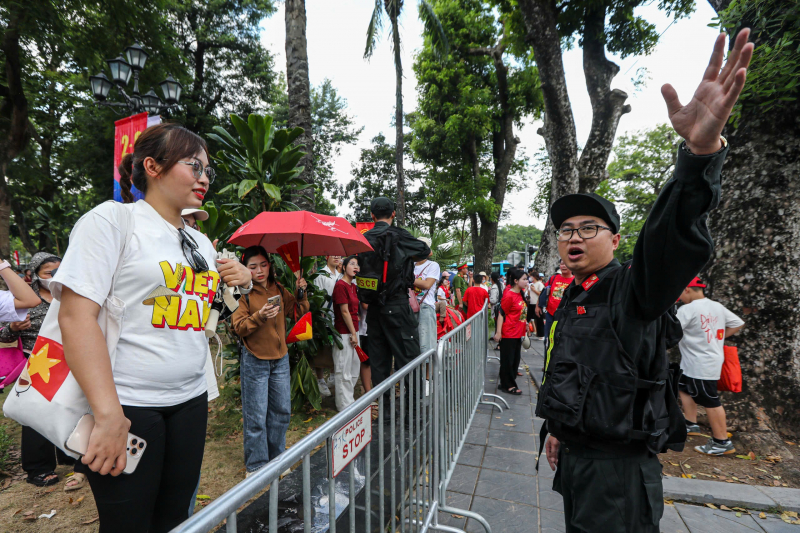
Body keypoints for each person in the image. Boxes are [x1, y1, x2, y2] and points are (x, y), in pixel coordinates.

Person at [537, 29, 753, 533]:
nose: (574, 237)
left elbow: (669, 241)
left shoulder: (633, 290)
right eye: (566, 229)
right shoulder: (576, 292)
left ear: (615, 240)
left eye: (589, 228)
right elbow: (574, 368)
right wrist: (557, 428)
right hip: (576, 458)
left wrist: (697, 158)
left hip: (618, 474)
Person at [52, 123, 252, 533]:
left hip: (190, 400)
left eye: (208, 170)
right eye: (194, 165)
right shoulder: (112, 221)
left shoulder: (200, 242)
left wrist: (243, 279)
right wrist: (109, 415)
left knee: (176, 518)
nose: (204, 178)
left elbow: (202, 309)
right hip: (127, 407)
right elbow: (75, 317)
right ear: (152, 166)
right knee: (127, 523)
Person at [0, 253, 88, 490]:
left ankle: (68, 453)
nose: (55, 276)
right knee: (35, 412)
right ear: (34, 275)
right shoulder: (24, 298)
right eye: (50, 273)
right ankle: (39, 468)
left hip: (70, 361)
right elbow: (4, 336)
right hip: (37, 363)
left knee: (70, 406)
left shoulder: (71, 292)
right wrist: (13, 327)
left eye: (59, 270)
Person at [233, 246, 309, 475]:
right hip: (255, 358)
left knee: (281, 411)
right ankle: (256, 466)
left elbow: (297, 311)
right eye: (253, 266)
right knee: (256, 415)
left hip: (280, 358)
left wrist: (301, 293)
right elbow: (239, 327)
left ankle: (277, 459)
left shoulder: (278, 288)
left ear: (270, 266)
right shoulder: (242, 293)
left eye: (263, 265)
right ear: (245, 268)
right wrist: (259, 316)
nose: (259, 270)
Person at [359, 198, 430, 414]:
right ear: (393, 214)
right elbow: (425, 251)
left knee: (379, 364)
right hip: (397, 306)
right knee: (409, 360)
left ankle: (386, 415)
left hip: (373, 310)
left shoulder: (363, 239)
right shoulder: (399, 235)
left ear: (372, 215)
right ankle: (412, 415)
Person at [676, 277, 744, 456]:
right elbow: (738, 323)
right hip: (699, 361)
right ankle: (690, 424)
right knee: (683, 387)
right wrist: (717, 338)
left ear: (687, 289)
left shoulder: (687, 309)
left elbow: (671, 330)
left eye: (680, 292)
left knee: (710, 400)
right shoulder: (717, 306)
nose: (680, 297)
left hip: (700, 364)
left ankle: (722, 442)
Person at [331, 255, 362, 410]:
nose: (356, 267)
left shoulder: (353, 286)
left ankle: (349, 400)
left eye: (357, 265)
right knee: (343, 368)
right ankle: (344, 406)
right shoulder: (340, 286)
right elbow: (344, 311)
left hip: (354, 330)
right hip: (344, 332)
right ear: (343, 267)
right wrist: (353, 333)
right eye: (352, 264)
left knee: (354, 367)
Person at [312, 255, 343, 398]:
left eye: (339, 255)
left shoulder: (340, 275)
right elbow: (316, 297)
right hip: (324, 318)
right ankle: (320, 380)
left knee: (335, 347)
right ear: (326, 256)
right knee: (321, 348)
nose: (337, 257)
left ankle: (332, 375)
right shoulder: (321, 275)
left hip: (338, 318)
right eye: (333, 254)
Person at [492, 269, 528, 395]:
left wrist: (526, 325)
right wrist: (498, 332)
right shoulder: (509, 295)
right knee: (508, 361)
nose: (527, 281)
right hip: (509, 333)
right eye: (524, 279)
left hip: (518, 332)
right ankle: (509, 385)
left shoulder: (521, 293)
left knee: (514, 361)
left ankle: (505, 383)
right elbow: (501, 314)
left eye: (527, 279)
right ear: (516, 281)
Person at [413, 237, 440, 356]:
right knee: (413, 344)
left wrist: (408, 279)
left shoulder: (433, 265)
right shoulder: (410, 265)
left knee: (426, 345)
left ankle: (428, 369)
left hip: (425, 306)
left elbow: (427, 284)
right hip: (409, 306)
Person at [542, 260, 573, 341]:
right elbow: (544, 292)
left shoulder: (575, 280)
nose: (564, 266)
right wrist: (538, 305)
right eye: (562, 264)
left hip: (565, 316)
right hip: (550, 314)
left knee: (561, 339)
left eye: (566, 264)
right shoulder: (553, 278)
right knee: (548, 339)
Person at [528, 272, 545, 340]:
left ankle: (541, 335)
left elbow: (541, 294)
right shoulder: (531, 284)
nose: (530, 278)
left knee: (539, 319)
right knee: (528, 318)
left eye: (531, 276)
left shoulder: (539, 284)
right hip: (531, 303)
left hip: (537, 304)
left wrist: (534, 290)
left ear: (534, 277)